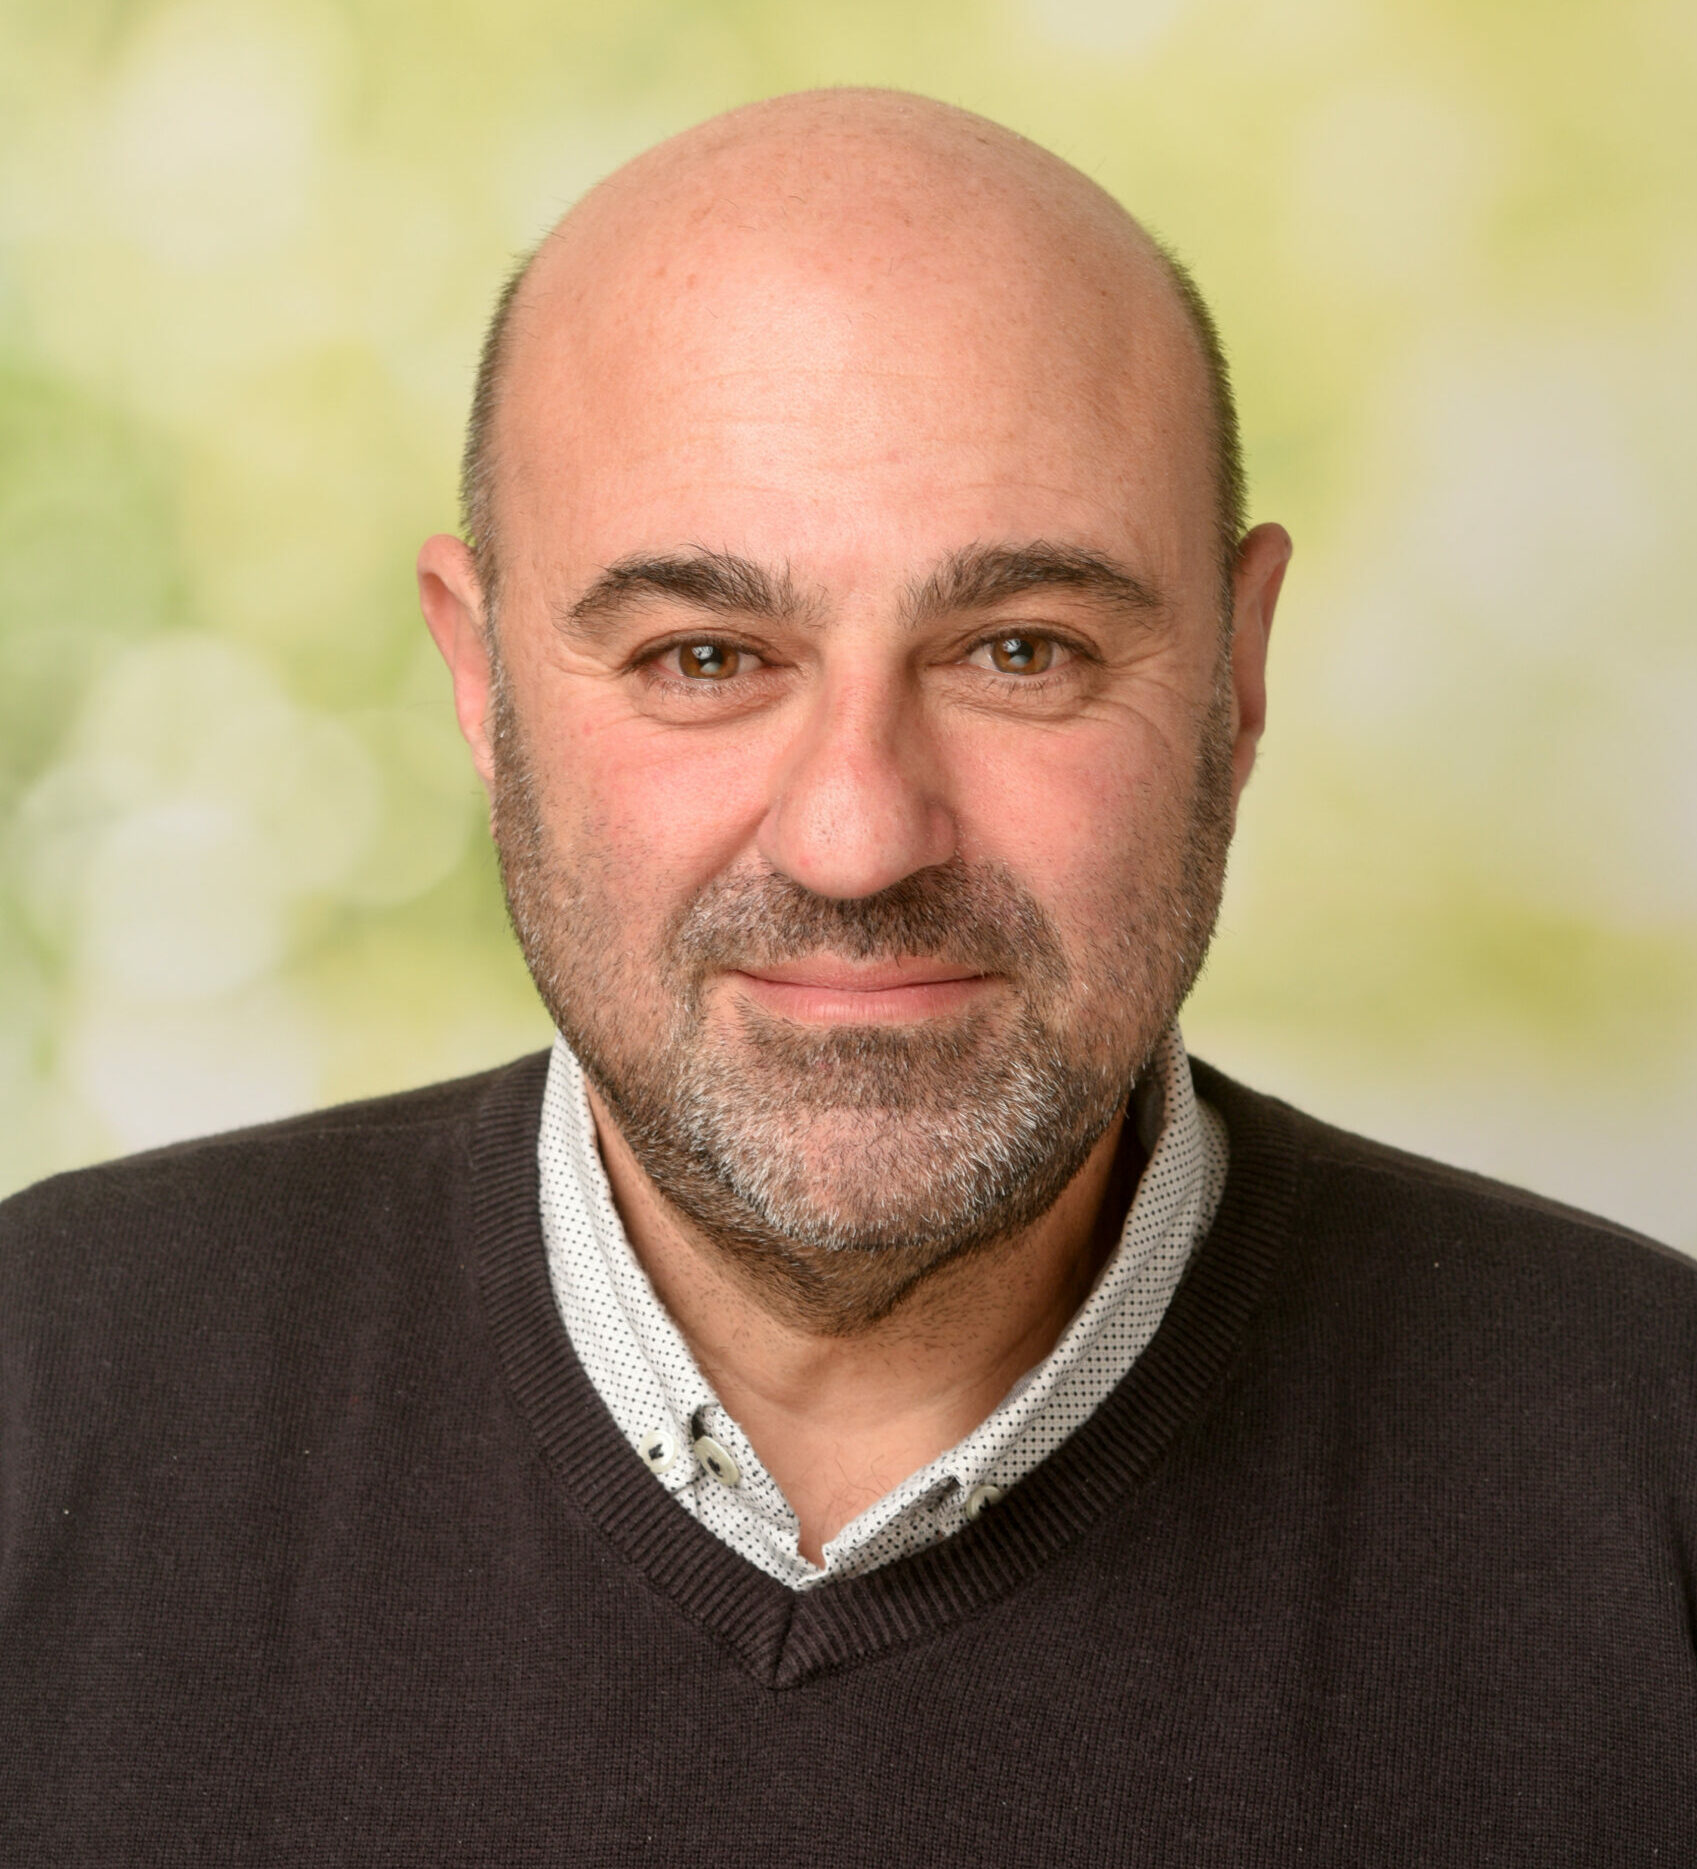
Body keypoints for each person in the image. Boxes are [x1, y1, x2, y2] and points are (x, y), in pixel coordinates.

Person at [2, 88, 1692, 1865]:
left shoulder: (1652, 1477)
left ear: (1236, 674)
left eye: (1019, 649)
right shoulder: (45, 1401)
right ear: (483, 685)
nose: (858, 835)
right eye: (704, 656)